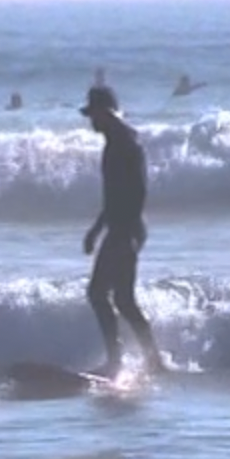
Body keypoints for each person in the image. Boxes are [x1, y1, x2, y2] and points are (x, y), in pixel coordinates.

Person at [80, 83, 165, 378]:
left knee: (97, 294)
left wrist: (124, 235)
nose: (90, 122)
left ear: (104, 112)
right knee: (123, 300)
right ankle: (153, 361)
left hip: (125, 231)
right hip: (121, 229)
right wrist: (96, 230)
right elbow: (113, 196)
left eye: (93, 115)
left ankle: (117, 362)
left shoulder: (126, 144)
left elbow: (138, 192)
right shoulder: (115, 141)